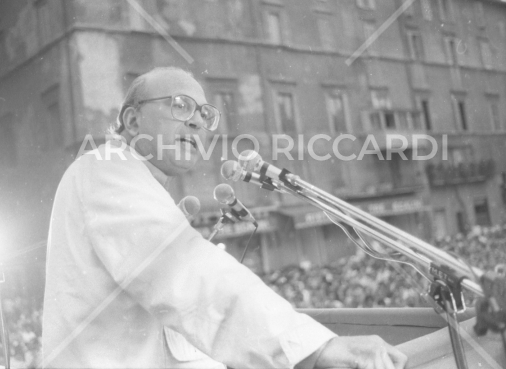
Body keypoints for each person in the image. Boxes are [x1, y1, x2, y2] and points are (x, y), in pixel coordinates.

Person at [42, 67, 408, 369]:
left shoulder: (132, 178)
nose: (198, 124)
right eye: (181, 106)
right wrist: (314, 349)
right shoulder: (106, 167)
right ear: (133, 120)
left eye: (205, 114)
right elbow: (186, 274)